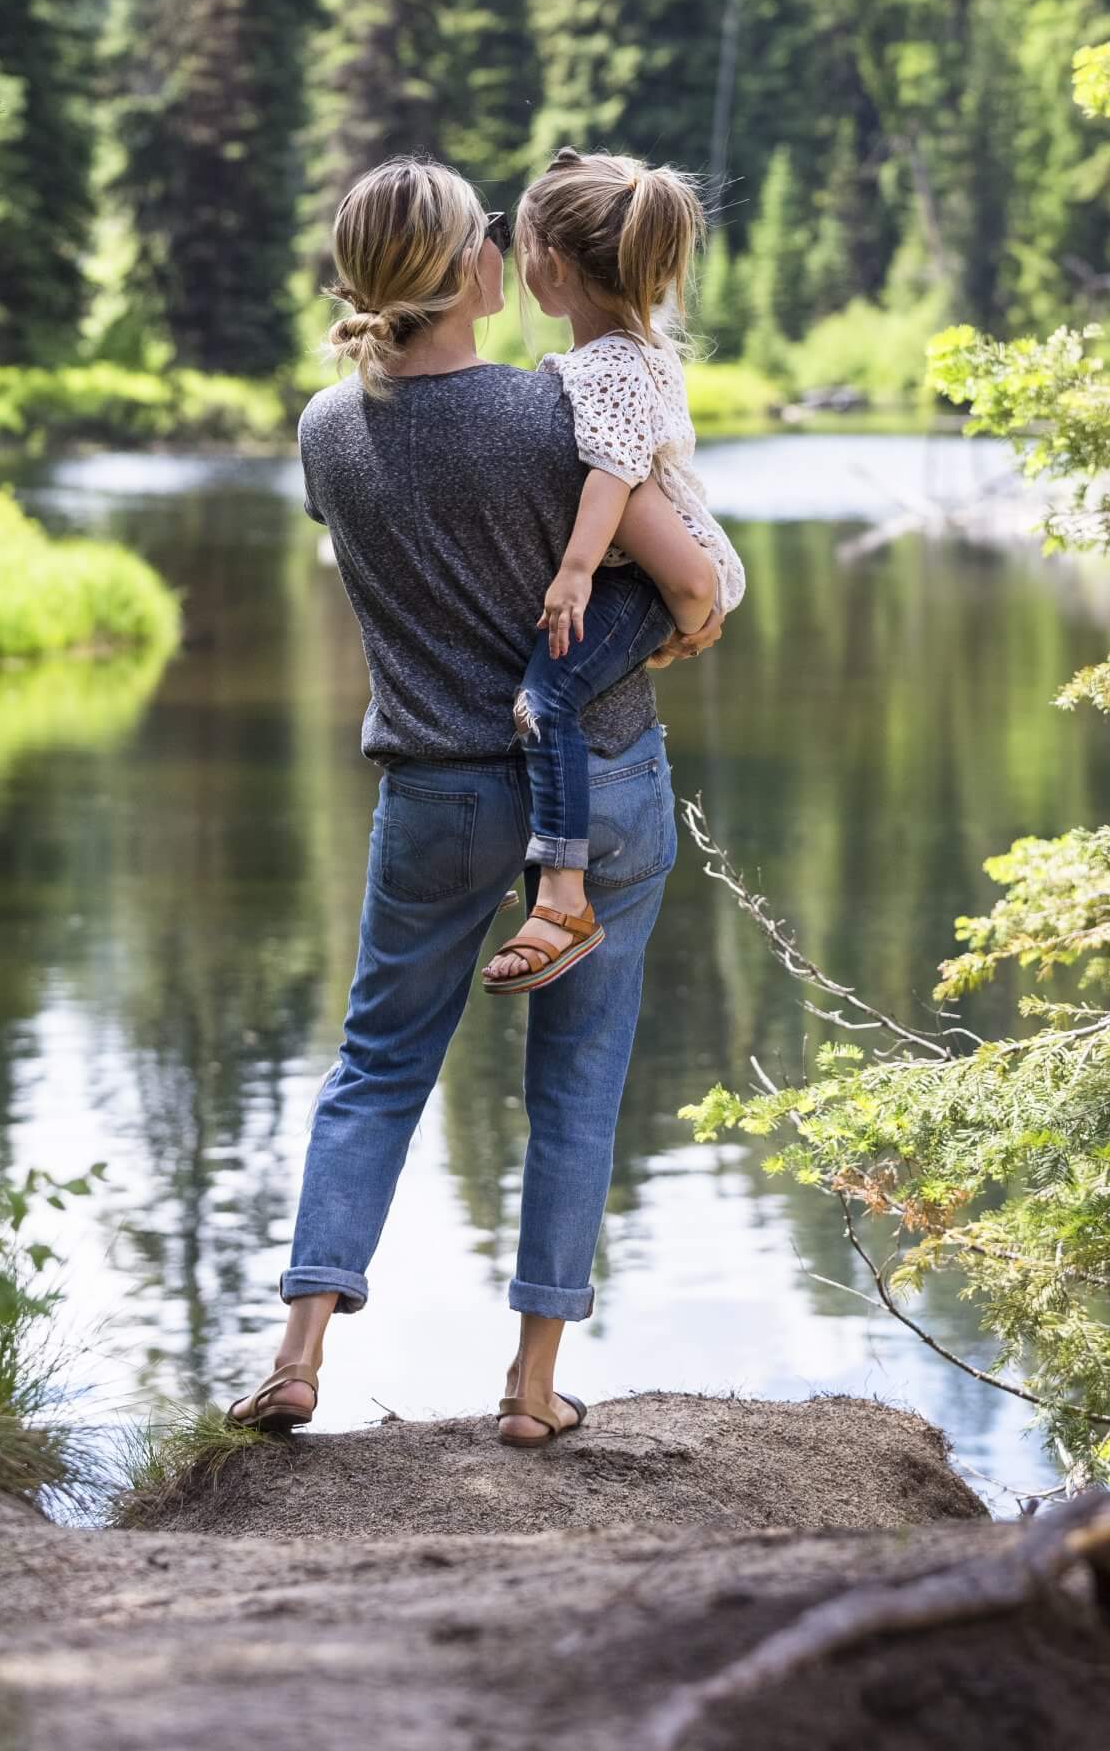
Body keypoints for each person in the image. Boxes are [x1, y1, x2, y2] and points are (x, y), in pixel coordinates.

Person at [227, 157, 722, 1449]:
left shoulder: (325, 428)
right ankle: (530, 1387)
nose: (504, 249)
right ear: (463, 274)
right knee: (575, 1085)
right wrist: (682, 623)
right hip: (597, 783)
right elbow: (692, 587)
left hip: (434, 791)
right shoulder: (544, 412)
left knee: (375, 1067)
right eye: (485, 237)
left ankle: (295, 1355)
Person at [481, 147, 745, 997]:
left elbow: (615, 472)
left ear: (550, 267)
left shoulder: (601, 369)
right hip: (658, 574)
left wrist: (573, 573)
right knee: (552, 691)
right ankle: (562, 894)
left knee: (544, 697)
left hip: (649, 571)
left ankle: (562, 895)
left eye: (524, 251)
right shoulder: (632, 352)